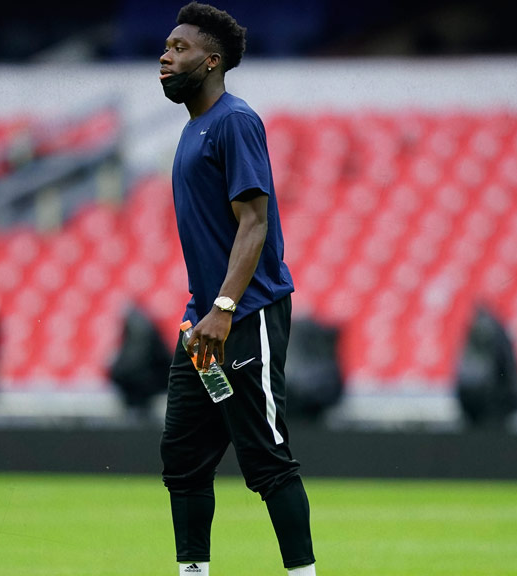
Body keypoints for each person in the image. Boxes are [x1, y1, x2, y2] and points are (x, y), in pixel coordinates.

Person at [157, 3, 316, 575]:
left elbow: (255, 221)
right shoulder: (193, 130)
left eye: (179, 48)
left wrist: (223, 308)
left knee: (266, 459)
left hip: (244, 313)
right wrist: (204, 310)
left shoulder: (234, 121)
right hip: (204, 322)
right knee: (182, 458)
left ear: (212, 60)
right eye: (165, 47)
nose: (165, 55)